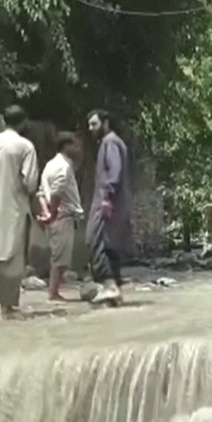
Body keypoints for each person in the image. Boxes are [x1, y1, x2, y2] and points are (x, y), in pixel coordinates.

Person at [0, 105, 49, 318]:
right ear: (23, 123)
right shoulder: (25, 146)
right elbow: (30, 182)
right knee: (13, 261)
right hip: (13, 208)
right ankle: (8, 307)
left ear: (3, 121)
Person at [85, 109, 132, 305]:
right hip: (115, 204)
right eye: (89, 125)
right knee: (109, 245)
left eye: (94, 124)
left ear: (105, 123)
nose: (90, 129)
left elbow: (115, 171)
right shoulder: (114, 142)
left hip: (106, 203)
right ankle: (115, 293)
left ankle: (109, 285)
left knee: (94, 241)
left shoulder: (110, 142)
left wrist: (106, 198)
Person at [39, 131, 85, 302]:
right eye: (75, 145)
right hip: (62, 216)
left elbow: (42, 192)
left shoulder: (51, 164)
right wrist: (51, 214)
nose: (78, 149)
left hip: (56, 216)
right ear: (65, 146)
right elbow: (56, 193)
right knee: (60, 259)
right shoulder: (63, 167)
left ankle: (54, 291)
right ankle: (53, 293)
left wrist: (46, 212)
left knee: (60, 257)